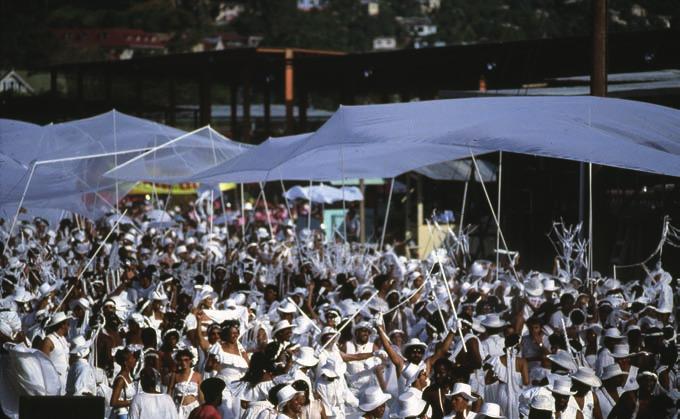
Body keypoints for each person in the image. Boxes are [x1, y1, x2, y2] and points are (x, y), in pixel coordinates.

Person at [168, 349, 204, 419]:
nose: (183, 362)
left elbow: (201, 395)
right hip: (179, 408)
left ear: (190, 361)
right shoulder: (175, 375)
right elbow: (169, 393)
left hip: (193, 408)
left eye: (186, 360)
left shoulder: (197, 376)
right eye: (181, 360)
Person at [110, 348, 139, 419]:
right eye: (132, 358)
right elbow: (113, 402)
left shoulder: (129, 376)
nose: (134, 360)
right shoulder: (120, 380)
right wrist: (131, 402)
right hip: (122, 415)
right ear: (126, 362)